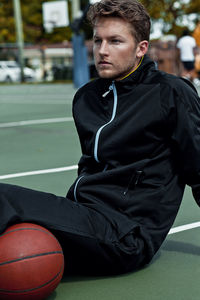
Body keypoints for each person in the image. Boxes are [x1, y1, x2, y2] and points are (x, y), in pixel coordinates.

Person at [1, 0, 200, 276]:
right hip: (84, 217)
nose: (102, 51)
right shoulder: (87, 98)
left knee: (5, 198)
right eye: (98, 40)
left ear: (141, 48)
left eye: (115, 41)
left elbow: (198, 167)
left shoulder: (170, 93)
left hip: (127, 234)